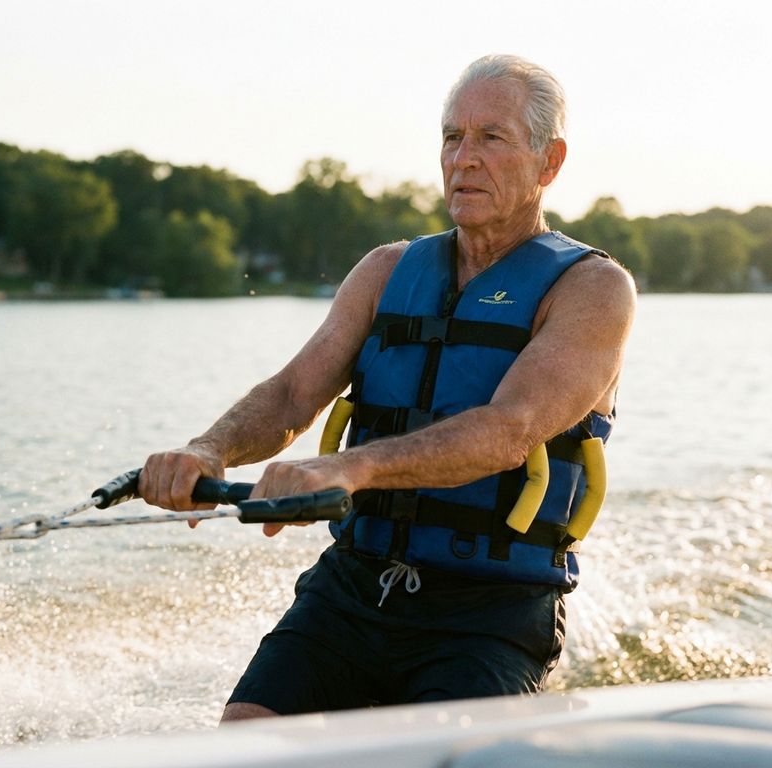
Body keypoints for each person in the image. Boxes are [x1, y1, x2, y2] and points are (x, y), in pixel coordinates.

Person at [140, 54, 637, 721]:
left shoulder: (592, 290)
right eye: (451, 137)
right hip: (352, 589)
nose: (464, 158)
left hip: (490, 610)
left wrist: (347, 469)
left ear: (549, 162)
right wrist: (207, 451)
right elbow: (292, 395)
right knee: (243, 743)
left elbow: (509, 431)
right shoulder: (385, 271)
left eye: (491, 137)